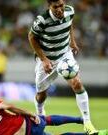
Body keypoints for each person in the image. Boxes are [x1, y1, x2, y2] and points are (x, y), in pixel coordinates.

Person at [28, 0, 101, 134]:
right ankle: (40, 113)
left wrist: (72, 42)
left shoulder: (70, 11)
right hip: (47, 59)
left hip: (64, 55)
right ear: (49, 6)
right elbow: (31, 37)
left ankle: (87, 122)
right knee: (41, 95)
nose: (60, 9)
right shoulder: (42, 20)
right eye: (55, 7)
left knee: (77, 83)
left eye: (61, 5)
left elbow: (69, 25)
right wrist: (44, 60)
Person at [0, 91, 108, 135]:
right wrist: (29, 113)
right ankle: (82, 120)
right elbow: (10, 107)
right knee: (45, 119)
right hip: (24, 125)